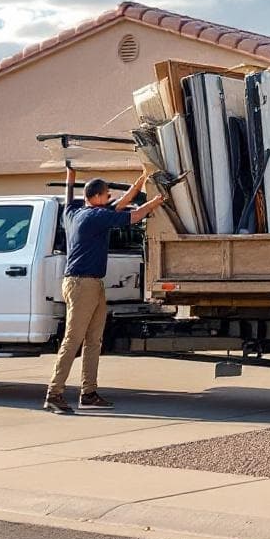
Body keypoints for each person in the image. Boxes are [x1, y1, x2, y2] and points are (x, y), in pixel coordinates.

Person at [43, 166, 165, 414]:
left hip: (90, 283)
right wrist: (157, 201)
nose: (110, 198)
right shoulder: (96, 217)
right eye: (107, 194)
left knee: (94, 340)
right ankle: (54, 394)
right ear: (97, 197)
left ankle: (88, 393)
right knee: (73, 340)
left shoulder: (73, 212)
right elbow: (133, 215)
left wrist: (142, 179)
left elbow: (121, 203)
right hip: (82, 284)